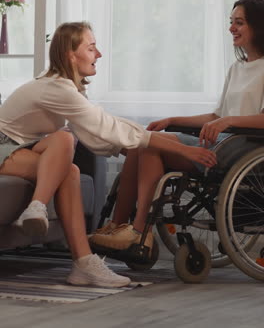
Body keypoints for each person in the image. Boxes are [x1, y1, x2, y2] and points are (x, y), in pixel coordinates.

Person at [0, 21, 216, 288]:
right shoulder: (56, 88)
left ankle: (81, 261)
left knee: (68, 154)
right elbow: (108, 127)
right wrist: (183, 149)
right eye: (91, 48)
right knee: (67, 153)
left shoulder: (69, 90)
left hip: (20, 148)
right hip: (4, 146)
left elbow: (96, 135)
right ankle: (55, 229)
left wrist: (138, 148)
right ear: (70, 54)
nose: (99, 54)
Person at [90, 0, 264, 255]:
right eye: (231, 22)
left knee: (149, 147)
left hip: (241, 150)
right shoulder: (237, 68)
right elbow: (215, 115)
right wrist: (173, 120)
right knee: (143, 140)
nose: (231, 28)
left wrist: (228, 121)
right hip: (219, 142)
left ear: (258, 27)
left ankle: (139, 233)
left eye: (239, 22)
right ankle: (118, 226)